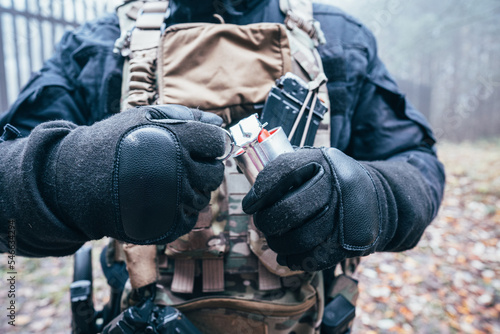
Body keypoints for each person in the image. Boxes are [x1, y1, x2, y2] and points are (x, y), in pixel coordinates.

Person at [0, 0, 445, 332]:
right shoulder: (98, 46)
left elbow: (418, 165)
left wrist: (376, 197)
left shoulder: (340, 40)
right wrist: (73, 176)